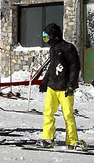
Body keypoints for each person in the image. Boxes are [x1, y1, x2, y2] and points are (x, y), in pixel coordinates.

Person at [37, 23, 86, 151]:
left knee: (68, 114)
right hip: (52, 87)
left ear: (54, 36)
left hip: (65, 88)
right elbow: (52, 67)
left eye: (47, 38)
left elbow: (74, 68)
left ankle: (72, 140)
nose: (47, 41)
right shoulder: (53, 49)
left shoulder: (68, 48)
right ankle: (47, 138)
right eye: (44, 39)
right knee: (48, 113)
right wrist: (45, 81)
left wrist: (71, 86)